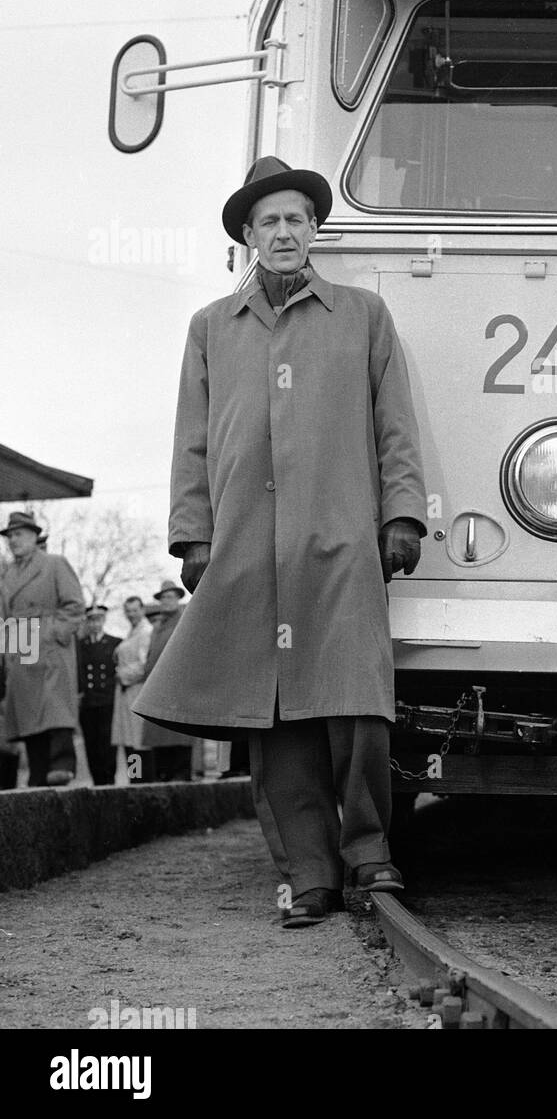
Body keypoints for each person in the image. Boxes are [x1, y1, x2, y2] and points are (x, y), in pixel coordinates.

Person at [135, 156, 428, 929]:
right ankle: (310, 875)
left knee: (357, 707)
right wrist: (192, 534)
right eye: (269, 221)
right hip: (247, 546)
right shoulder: (210, 328)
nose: (285, 231)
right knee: (273, 720)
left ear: (316, 229)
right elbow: (191, 441)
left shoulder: (363, 314)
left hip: (339, 538)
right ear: (247, 237)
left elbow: (395, 424)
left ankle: (370, 854)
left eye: (298, 218)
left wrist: (401, 514)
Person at [0, 511, 85, 787]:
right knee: (29, 712)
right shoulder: (7, 575)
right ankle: (38, 772)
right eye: (10, 536)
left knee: (54, 705)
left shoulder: (54, 564)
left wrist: (54, 632)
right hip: (21, 645)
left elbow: (74, 605)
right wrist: (8, 655)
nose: (13, 540)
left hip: (48, 642)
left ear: (35, 537)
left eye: (19, 534)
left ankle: (63, 763)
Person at [136, 582, 199, 781]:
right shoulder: (158, 626)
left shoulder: (186, 619)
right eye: (163, 597)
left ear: (178, 598)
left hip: (178, 686)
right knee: (159, 734)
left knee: (179, 732)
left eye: (170, 597)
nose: (166, 601)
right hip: (156, 688)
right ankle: (163, 775)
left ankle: (180, 775)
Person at [110, 595, 153, 779]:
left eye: (135, 610)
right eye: (128, 611)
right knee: (128, 739)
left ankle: (143, 779)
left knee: (138, 739)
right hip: (126, 694)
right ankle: (134, 778)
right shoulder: (132, 632)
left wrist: (123, 675)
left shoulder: (146, 632)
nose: (131, 614)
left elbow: (145, 664)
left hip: (138, 689)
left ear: (142, 610)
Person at [76, 604, 120, 786]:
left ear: (103, 620)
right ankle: (97, 781)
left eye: (98, 620)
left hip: (107, 700)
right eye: (91, 620)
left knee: (107, 743)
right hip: (88, 702)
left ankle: (109, 780)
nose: (95, 624)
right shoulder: (81, 645)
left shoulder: (115, 642)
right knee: (91, 744)